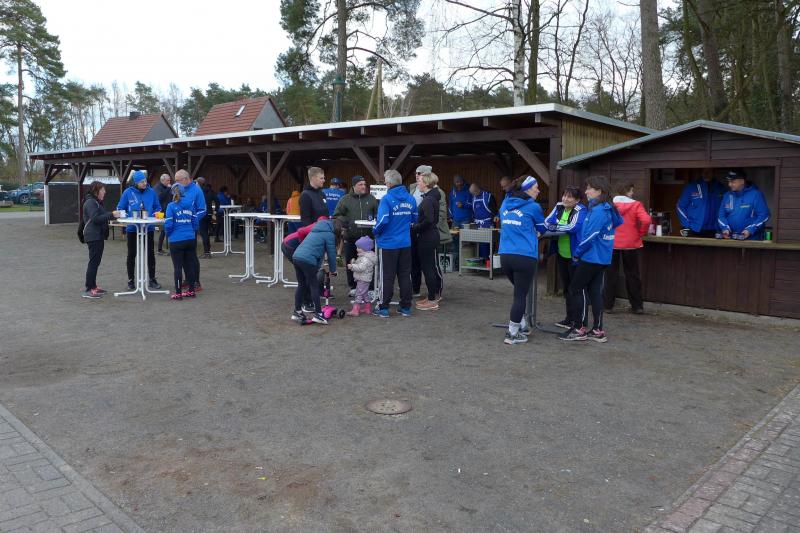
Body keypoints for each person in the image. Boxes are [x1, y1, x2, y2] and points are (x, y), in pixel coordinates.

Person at [560, 176, 623, 343]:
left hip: (591, 257)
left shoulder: (598, 211)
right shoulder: (608, 208)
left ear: (599, 191)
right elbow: (618, 223)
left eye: (589, 188)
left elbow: (590, 236)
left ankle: (579, 328)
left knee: (575, 289)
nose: (586, 191)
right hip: (603, 257)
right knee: (595, 292)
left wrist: (577, 253)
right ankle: (597, 330)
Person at [497, 176, 548, 345]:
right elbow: (543, 229)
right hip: (525, 256)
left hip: (505, 255)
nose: (538, 190)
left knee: (519, 292)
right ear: (527, 189)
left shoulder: (505, 203)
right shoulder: (534, 207)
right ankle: (512, 334)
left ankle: (522, 325)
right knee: (520, 295)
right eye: (536, 187)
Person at [373, 169, 418, 318]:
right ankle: (405, 307)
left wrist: (375, 231)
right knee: (405, 275)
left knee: (387, 276)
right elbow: (414, 219)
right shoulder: (411, 198)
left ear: (388, 183)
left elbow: (382, 220)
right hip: (405, 243)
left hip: (388, 244)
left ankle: (384, 307)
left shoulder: (386, 199)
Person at [544, 186, 588, 329]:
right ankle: (569, 319)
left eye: (569, 197)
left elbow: (573, 227)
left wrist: (555, 227)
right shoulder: (559, 206)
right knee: (567, 288)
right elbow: (546, 222)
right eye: (564, 195)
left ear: (577, 200)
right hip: (562, 254)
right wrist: (554, 226)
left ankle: (579, 322)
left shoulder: (581, 209)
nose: (565, 199)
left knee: (576, 289)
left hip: (575, 255)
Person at [605, 182, 651, 314]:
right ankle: (637, 306)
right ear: (626, 191)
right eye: (631, 191)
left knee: (610, 274)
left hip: (612, 242)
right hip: (631, 243)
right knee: (632, 274)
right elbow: (646, 220)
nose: (632, 193)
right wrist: (641, 233)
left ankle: (607, 305)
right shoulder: (636, 204)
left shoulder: (609, 205)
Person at [333, 175, 378, 294]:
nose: (364, 187)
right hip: (351, 237)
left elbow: (378, 214)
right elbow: (337, 215)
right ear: (354, 186)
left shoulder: (372, 199)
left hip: (368, 239)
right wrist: (348, 222)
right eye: (360, 184)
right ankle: (353, 287)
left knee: (369, 264)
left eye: (364, 184)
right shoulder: (345, 199)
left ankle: (371, 288)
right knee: (351, 262)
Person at [117, 170, 161, 290]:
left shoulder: (151, 192)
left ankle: (152, 279)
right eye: (142, 182)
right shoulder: (128, 192)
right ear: (136, 182)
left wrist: (155, 214)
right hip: (132, 228)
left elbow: (157, 207)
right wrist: (127, 216)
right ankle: (131, 281)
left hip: (148, 227)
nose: (144, 183)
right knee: (132, 254)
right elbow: (120, 207)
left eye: (145, 181)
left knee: (150, 253)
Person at [291, 219, 339, 325]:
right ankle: (318, 314)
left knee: (302, 284)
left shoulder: (315, 230)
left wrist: (316, 268)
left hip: (296, 256)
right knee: (314, 286)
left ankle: (297, 311)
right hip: (307, 260)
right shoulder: (329, 234)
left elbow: (316, 252)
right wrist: (333, 270)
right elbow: (331, 254)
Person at [81, 181, 124, 298]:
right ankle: (89, 288)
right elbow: (96, 218)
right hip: (93, 236)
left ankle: (93, 286)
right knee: (93, 262)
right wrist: (112, 214)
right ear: (96, 191)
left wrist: (112, 215)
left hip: (97, 235)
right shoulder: (91, 202)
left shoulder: (95, 202)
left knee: (95, 262)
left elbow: (101, 216)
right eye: (103, 190)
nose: (104, 192)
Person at [413, 172, 443, 311]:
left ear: (425, 183)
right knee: (428, 268)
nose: (418, 183)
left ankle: (432, 300)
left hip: (427, 237)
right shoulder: (430, 198)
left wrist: (415, 227)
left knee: (428, 268)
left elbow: (429, 220)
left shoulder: (428, 200)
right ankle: (431, 296)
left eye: (419, 181)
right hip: (429, 236)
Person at [164, 184, 199, 300]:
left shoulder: (171, 206)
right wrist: (192, 232)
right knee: (190, 265)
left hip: (176, 240)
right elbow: (195, 222)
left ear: (172, 193)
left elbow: (168, 224)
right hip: (190, 239)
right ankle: (191, 291)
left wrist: (169, 235)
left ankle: (178, 293)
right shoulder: (191, 204)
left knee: (177, 267)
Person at [175, 170, 206, 291]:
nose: (176, 183)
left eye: (177, 180)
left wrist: (191, 220)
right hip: (179, 227)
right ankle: (188, 279)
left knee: (191, 255)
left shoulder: (197, 190)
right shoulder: (178, 190)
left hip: (191, 228)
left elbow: (202, 210)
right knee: (182, 255)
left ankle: (196, 282)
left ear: (185, 179)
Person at [718, 169, 771, 240]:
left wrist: (750, 230)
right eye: (729, 181)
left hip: (752, 240)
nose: (729, 184)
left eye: (733, 182)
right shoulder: (727, 195)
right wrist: (725, 228)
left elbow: (764, 215)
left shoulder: (755, 195)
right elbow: (721, 215)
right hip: (732, 239)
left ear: (742, 181)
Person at [677, 168, 726, 237]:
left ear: (714, 172)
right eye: (704, 171)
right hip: (694, 229)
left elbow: (726, 209)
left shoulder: (721, 188)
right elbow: (680, 206)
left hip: (715, 230)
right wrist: (687, 225)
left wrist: (724, 227)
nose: (706, 174)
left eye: (709, 171)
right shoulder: (691, 187)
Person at [408, 165, 432, 298]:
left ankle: (433, 293)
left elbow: (439, 214)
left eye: (419, 173)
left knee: (429, 264)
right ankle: (415, 288)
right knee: (413, 261)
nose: (416, 175)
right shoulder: (412, 188)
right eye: (416, 173)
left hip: (427, 231)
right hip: (413, 230)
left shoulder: (436, 191)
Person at [346, 236, 377, 316]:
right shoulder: (365, 257)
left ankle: (355, 310)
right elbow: (361, 265)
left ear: (364, 248)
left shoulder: (365, 258)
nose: (357, 249)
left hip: (363, 279)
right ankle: (367, 308)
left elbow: (361, 267)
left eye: (359, 247)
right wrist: (354, 263)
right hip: (364, 278)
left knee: (359, 294)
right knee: (364, 294)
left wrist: (352, 266)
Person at [469, 182, 498, 259]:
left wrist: (493, 220)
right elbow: (473, 211)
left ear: (477, 190)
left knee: (489, 245)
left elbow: (494, 211)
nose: (473, 195)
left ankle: (489, 261)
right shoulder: (474, 198)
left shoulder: (488, 196)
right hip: (478, 225)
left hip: (488, 224)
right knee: (480, 245)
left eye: (473, 193)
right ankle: (482, 261)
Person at [196, 177, 215, 258]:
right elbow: (217, 200)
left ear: (198, 183)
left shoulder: (199, 191)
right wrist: (216, 210)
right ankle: (208, 251)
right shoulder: (210, 191)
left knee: (203, 233)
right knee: (206, 233)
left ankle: (206, 253)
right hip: (209, 214)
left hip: (202, 214)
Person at [154, 174, 172, 255]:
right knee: (164, 230)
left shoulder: (166, 187)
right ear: (162, 180)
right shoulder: (157, 187)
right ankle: (159, 249)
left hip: (168, 210)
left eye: (169, 180)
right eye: (168, 180)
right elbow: (159, 198)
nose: (169, 182)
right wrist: (168, 189)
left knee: (166, 230)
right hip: (162, 212)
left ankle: (161, 249)